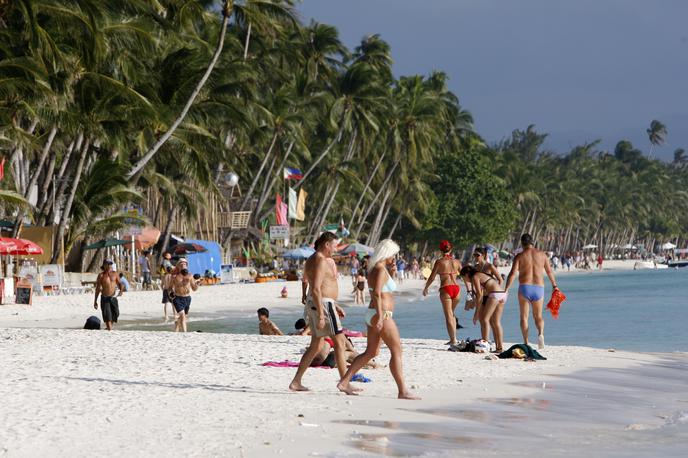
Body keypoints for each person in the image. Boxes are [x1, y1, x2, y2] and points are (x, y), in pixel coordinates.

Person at [337, 239, 419, 400]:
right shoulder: (380, 269)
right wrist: (381, 316)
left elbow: (381, 289)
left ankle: (345, 382)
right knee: (396, 351)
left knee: (371, 352)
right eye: (393, 255)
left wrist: (392, 273)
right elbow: (377, 294)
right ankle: (402, 390)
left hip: (373, 313)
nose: (394, 258)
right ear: (387, 253)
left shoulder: (376, 268)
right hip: (381, 314)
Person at [289, 232, 350, 392]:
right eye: (334, 245)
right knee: (340, 343)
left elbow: (320, 287)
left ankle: (296, 381)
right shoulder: (320, 260)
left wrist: (334, 306)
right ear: (326, 244)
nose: (335, 249)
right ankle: (344, 382)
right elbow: (315, 288)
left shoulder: (313, 259)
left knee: (316, 345)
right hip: (323, 306)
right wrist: (323, 314)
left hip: (322, 304)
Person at [504, 233, 558, 349]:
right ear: (532, 242)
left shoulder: (519, 256)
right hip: (539, 288)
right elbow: (549, 272)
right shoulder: (542, 255)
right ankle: (540, 334)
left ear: (522, 244)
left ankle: (526, 342)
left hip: (525, 287)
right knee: (538, 316)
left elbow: (513, 274)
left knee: (524, 317)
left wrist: (506, 288)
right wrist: (554, 285)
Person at [423, 240, 463, 345]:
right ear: (451, 249)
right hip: (457, 289)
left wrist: (426, 287)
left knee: (449, 315)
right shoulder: (457, 262)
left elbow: (432, 277)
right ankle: (454, 338)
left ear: (440, 250)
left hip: (446, 288)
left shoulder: (439, 262)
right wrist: (471, 289)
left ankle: (453, 340)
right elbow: (465, 275)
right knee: (452, 314)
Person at [460, 265, 508, 352]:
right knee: (495, 322)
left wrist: (476, 314)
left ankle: (485, 345)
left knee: (486, 319)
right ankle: (499, 348)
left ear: (467, 274)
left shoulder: (475, 277)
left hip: (495, 294)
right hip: (502, 293)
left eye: (463, 277)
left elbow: (479, 296)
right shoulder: (480, 274)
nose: (465, 280)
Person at [93, 259, 124, 331]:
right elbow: (97, 288)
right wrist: (95, 301)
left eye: (110, 264)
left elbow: (120, 284)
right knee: (107, 316)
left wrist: (121, 290)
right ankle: (109, 328)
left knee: (116, 313)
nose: (109, 265)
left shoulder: (115, 274)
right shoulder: (101, 275)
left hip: (113, 298)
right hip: (105, 298)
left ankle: (108, 327)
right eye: (108, 264)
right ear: (104, 265)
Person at [170, 258, 199, 332]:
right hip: (178, 298)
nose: (183, 265)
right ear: (178, 266)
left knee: (184, 317)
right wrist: (171, 293)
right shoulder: (174, 276)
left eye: (185, 264)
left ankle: (177, 323)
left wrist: (197, 284)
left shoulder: (190, 276)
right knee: (182, 316)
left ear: (187, 266)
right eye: (181, 264)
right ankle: (185, 333)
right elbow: (169, 287)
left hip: (187, 298)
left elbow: (194, 289)